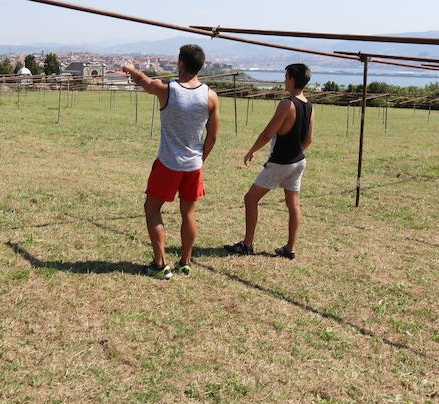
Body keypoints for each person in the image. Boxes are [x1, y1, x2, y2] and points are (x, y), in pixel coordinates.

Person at [123, 45, 220, 279]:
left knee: (152, 209)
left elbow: (144, 81)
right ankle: (185, 261)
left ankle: (160, 265)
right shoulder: (210, 96)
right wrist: (200, 159)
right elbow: (213, 136)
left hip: (168, 162)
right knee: (188, 213)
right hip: (193, 165)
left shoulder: (168, 90)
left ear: (182, 64)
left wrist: (130, 69)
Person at [224, 63, 314, 259]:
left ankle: (247, 244)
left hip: (280, 163)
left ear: (292, 79)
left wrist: (251, 150)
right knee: (294, 205)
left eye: (286, 76)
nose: (284, 80)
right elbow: (308, 140)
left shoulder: (287, 104)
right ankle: (289, 249)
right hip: (299, 162)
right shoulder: (309, 105)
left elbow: (268, 133)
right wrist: (295, 153)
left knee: (250, 199)